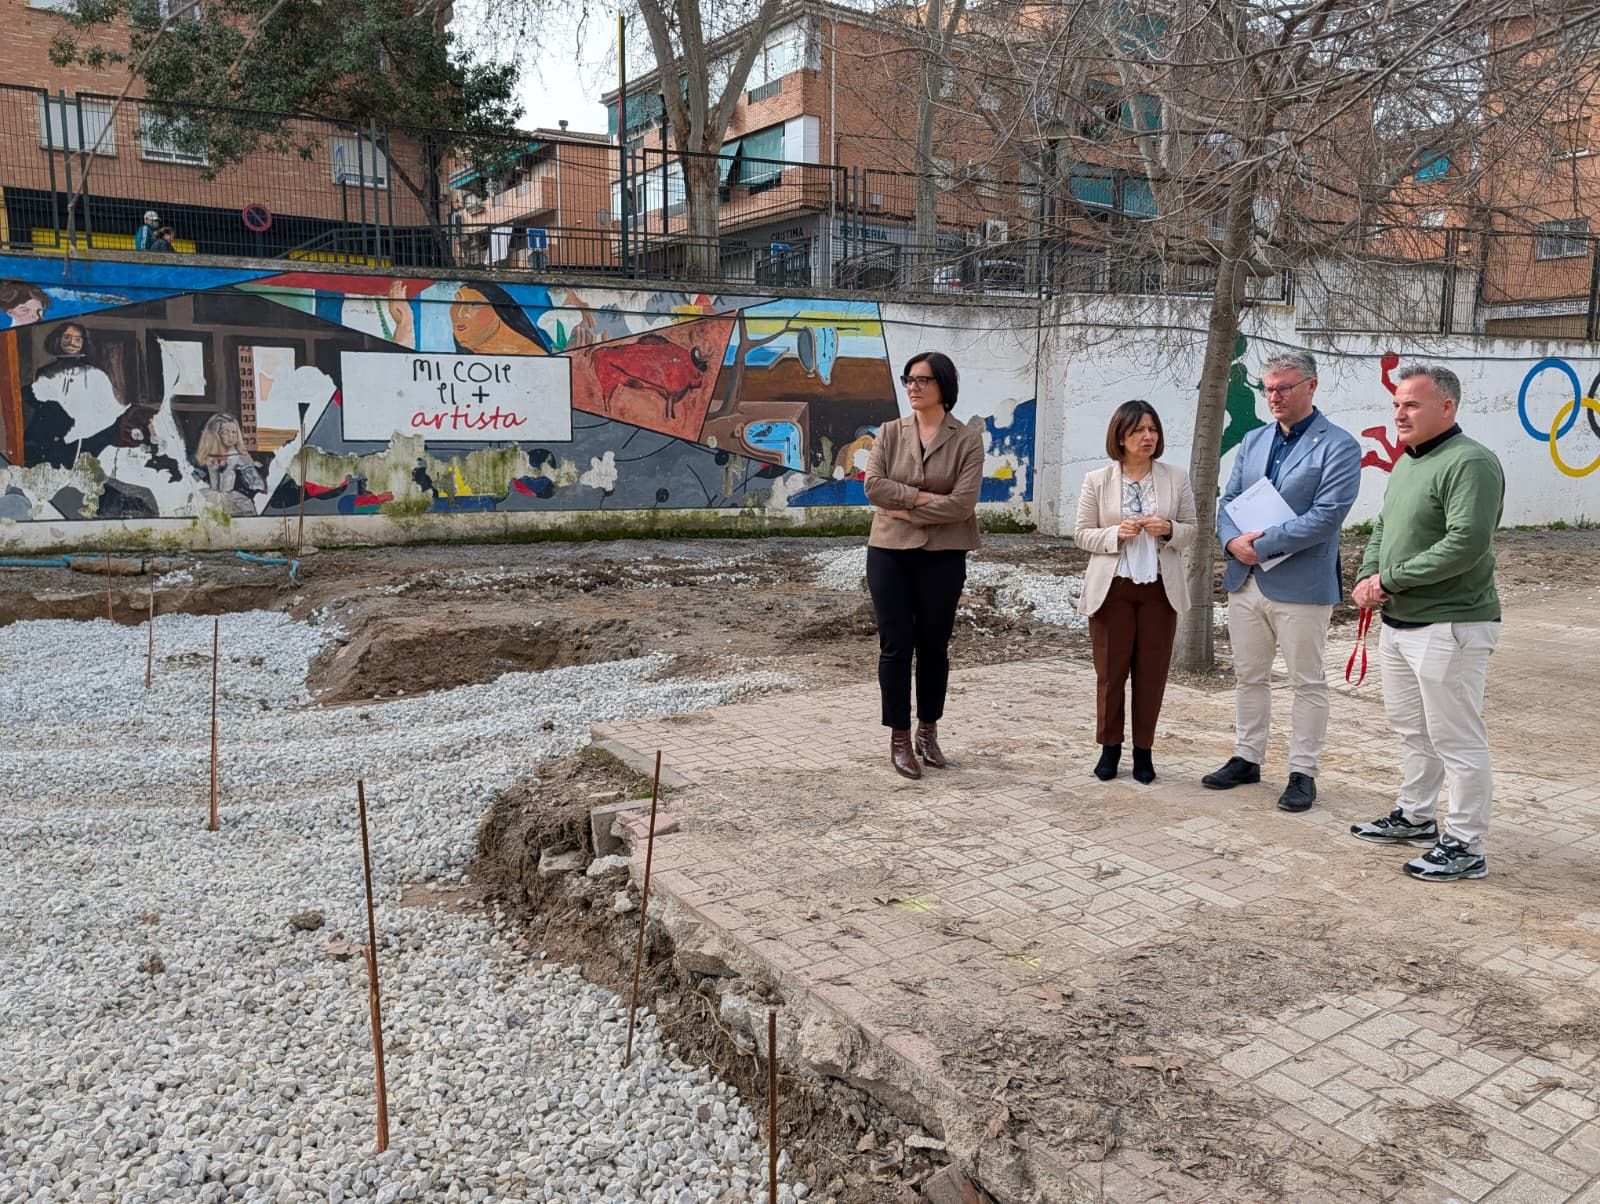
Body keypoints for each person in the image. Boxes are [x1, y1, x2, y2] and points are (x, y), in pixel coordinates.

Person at [1349, 365, 1503, 882]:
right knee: (1413, 730)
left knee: (1456, 738)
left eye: (1411, 404)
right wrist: (1371, 574)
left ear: (1447, 407)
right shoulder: (1407, 464)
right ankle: (1416, 815)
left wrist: (1389, 580)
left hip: (1451, 624)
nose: (1399, 413)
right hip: (1400, 623)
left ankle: (1466, 843)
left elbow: (1466, 544)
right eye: (1396, 404)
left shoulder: (1472, 463)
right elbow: (1384, 527)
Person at [1204, 350, 1361, 812]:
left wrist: (1264, 543)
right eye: (1269, 388)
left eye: (1284, 388)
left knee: (1306, 681)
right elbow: (1229, 499)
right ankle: (1247, 757)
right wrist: (1233, 544)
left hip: (1300, 584)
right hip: (1246, 578)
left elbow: (1327, 517)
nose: (1274, 396)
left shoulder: (1339, 445)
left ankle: (1302, 772)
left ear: (1311, 387)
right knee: (1249, 675)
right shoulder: (1253, 440)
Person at [862, 351, 984, 780]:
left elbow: (962, 505)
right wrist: (924, 499)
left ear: (943, 386)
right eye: (908, 379)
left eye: (922, 380)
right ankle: (898, 736)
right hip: (889, 553)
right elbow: (873, 487)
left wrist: (905, 508)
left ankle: (927, 731)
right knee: (895, 646)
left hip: (944, 555)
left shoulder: (967, 438)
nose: (912, 386)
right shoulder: (890, 431)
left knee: (934, 646)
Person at [1074, 401, 1197, 783]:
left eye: (1153, 430)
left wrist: (1170, 529)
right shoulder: (1097, 480)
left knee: (1152, 673)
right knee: (1111, 674)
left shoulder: (1176, 477)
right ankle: (1110, 749)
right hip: (1113, 590)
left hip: (1160, 589)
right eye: (1138, 431)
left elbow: (1193, 528)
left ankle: (1144, 751)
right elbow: (1081, 533)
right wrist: (1115, 534)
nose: (1147, 437)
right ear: (1120, 437)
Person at [194, 413, 266, 515]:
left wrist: (256, 485)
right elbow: (194, 479)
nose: (231, 436)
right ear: (214, 434)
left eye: (234, 432)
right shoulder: (207, 457)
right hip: (210, 498)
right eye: (225, 432)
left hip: (232, 498)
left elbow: (254, 480)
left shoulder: (238, 457)